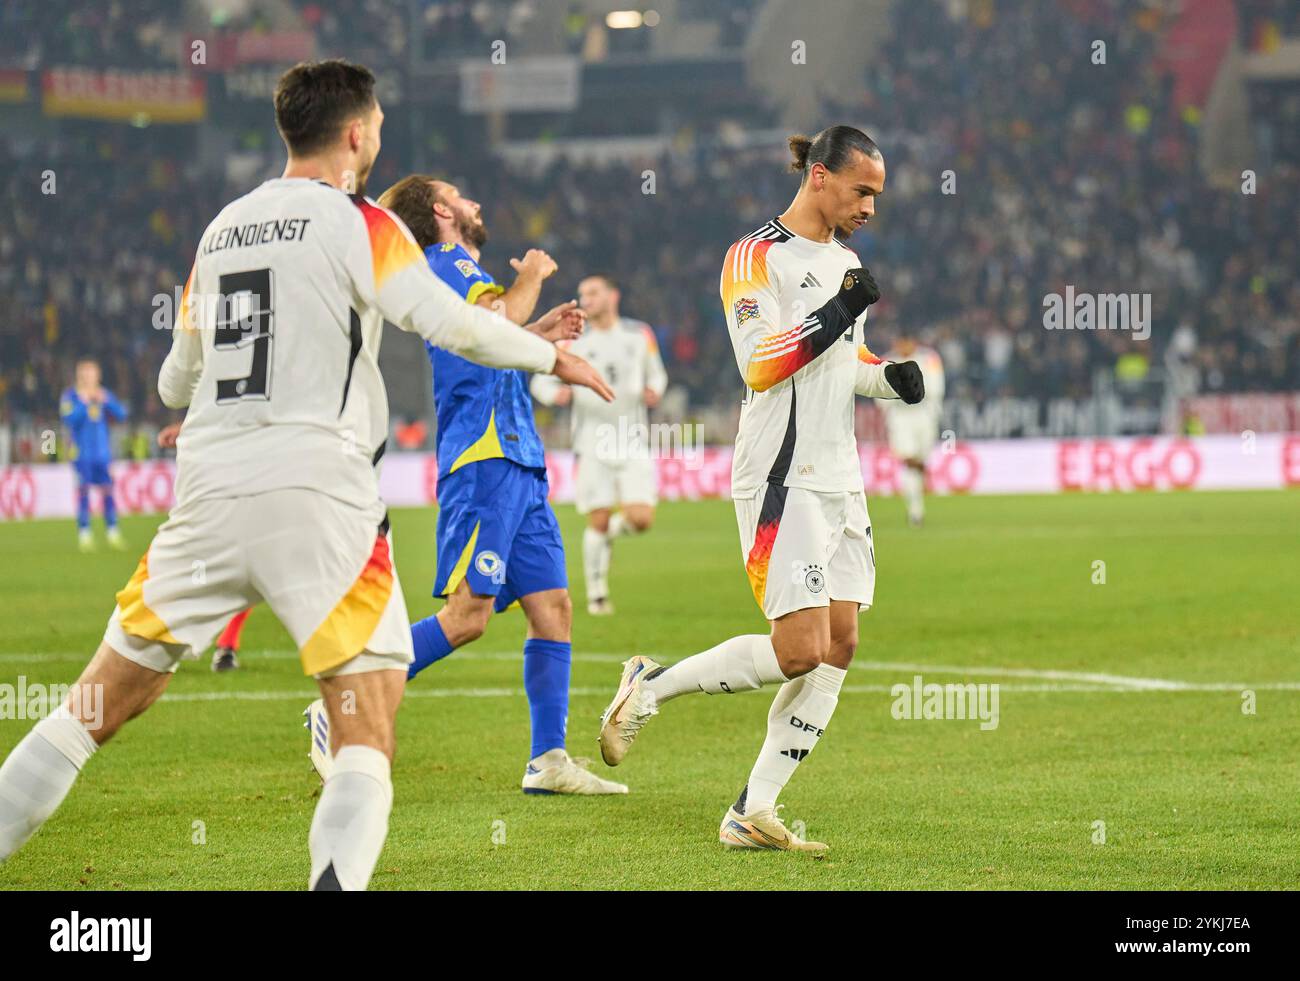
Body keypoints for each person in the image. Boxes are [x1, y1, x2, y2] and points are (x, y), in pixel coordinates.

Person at [0, 59, 612, 891]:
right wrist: (554, 356)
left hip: (208, 499)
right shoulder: (364, 225)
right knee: (363, 729)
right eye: (381, 125)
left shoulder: (219, 231)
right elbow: (456, 326)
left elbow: (172, 386)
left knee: (92, 710)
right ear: (357, 133)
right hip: (323, 503)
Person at [596, 125, 925, 852]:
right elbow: (760, 362)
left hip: (840, 475)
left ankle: (753, 810)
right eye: (860, 190)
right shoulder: (755, 256)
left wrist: (885, 377)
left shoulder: (845, 259)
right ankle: (652, 681)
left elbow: (842, 360)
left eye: (877, 194)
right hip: (782, 475)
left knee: (839, 643)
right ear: (818, 175)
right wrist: (839, 309)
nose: (871, 206)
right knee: (799, 646)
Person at [371, 174, 626, 795]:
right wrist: (533, 275)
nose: (475, 201)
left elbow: (489, 339)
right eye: (463, 194)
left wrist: (540, 332)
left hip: (518, 457)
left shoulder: (453, 276)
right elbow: (492, 321)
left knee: (554, 608)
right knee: (467, 617)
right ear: (441, 211)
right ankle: (342, 704)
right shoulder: (444, 258)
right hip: (485, 454)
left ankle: (548, 761)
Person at [532, 274, 668, 615]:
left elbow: (657, 373)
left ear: (613, 295)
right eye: (581, 294)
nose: (585, 299)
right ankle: (597, 594)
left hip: (633, 436)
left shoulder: (639, 335)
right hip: (592, 441)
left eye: (592, 292)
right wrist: (555, 393)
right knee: (599, 518)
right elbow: (539, 381)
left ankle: (607, 538)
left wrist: (656, 389)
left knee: (641, 519)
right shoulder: (573, 340)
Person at [60, 359, 127, 551]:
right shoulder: (70, 396)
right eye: (85, 374)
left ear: (98, 375)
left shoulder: (104, 395)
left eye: (92, 374)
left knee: (108, 491)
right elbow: (69, 419)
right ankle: (85, 533)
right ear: (79, 376)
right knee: (83, 491)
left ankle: (112, 532)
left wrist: (106, 402)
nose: (89, 378)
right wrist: (84, 402)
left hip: (103, 453)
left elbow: (122, 414)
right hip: (81, 454)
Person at [880, 333, 945, 526]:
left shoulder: (930, 358)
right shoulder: (886, 361)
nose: (903, 346)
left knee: (918, 462)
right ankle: (915, 511)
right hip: (900, 417)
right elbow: (879, 396)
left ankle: (918, 493)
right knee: (908, 460)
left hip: (924, 415)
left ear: (913, 342)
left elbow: (936, 388)